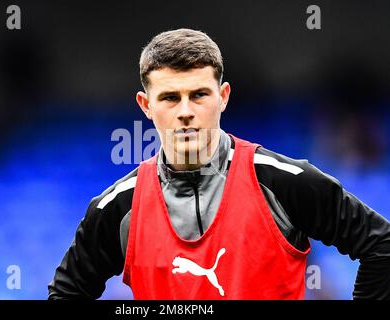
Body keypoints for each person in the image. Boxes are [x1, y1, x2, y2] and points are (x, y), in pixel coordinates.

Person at [48, 28, 390, 300]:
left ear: (223, 96)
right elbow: (66, 292)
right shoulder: (118, 207)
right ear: (146, 105)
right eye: (169, 97)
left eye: (199, 94)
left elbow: (380, 244)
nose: (185, 111)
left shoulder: (284, 182)